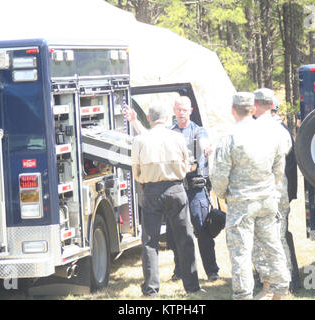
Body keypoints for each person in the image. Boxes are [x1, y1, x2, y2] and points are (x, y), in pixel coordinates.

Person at [126, 97, 220, 282]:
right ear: (173, 112)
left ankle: (211, 271)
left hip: (194, 189)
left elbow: (204, 144)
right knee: (175, 234)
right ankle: (180, 271)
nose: (181, 113)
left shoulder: (198, 131)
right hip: (175, 188)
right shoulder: (170, 132)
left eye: (184, 109)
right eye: (178, 109)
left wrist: (208, 149)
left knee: (202, 230)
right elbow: (148, 137)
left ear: (190, 110)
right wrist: (135, 122)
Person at [210, 92, 291, 300]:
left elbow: (219, 175)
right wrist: (270, 188)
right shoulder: (271, 134)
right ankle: (281, 292)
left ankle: (244, 295)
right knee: (273, 247)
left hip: (241, 204)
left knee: (241, 254)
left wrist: (223, 194)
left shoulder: (229, 138)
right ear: (253, 109)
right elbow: (279, 167)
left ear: (232, 111)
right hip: (267, 200)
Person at [131, 104, 202, 297]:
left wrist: (144, 179)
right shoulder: (177, 137)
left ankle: (151, 288)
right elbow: (187, 163)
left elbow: (135, 169)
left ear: (148, 117)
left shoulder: (140, 140)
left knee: (150, 242)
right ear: (167, 117)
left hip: (151, 191)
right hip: (176, 189)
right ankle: (192, 286)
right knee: (185, 238)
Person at [251, 88, 300, 299]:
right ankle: (282, 284)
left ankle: (277, 286)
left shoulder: (273, 131)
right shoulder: (280, 130)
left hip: (271, 192)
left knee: (272, 240)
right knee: (277, 239)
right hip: (276, 193)